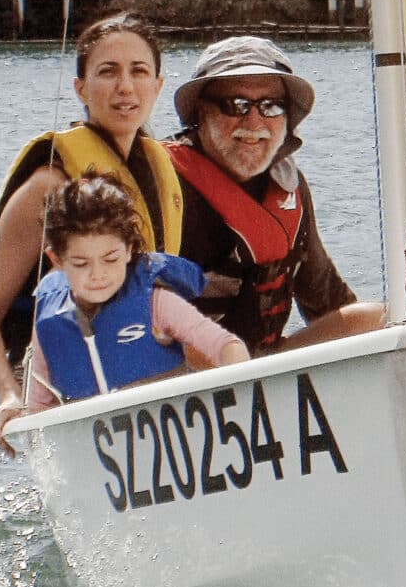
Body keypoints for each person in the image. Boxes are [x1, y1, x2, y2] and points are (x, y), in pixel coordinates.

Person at [0, 12, 184, 455]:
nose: (125, 87)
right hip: (59, 371)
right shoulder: (48, 185)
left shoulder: (160, 172)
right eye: (108, 72)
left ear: (158, 86)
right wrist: (10, 398)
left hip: (133, 356)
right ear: (80, 88)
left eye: (139, 72)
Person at [165, 36, 385, 357]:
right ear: (201, 111)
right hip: (184, 377)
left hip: (266, 372)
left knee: (380, 320)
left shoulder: (288, 187)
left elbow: (327, 300)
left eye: (271, 106)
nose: (254, 122)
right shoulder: (163, 184)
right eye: (236, 105)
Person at [27, 172, 248, 413]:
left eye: (110, 259)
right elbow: (36, 408)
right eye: (81, 264)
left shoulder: (157, 304)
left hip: (176, 433)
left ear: (129, 250)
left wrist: (243, 398)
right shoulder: (48, 324)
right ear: (57, 260)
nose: (98, 274)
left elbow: (227, 346)